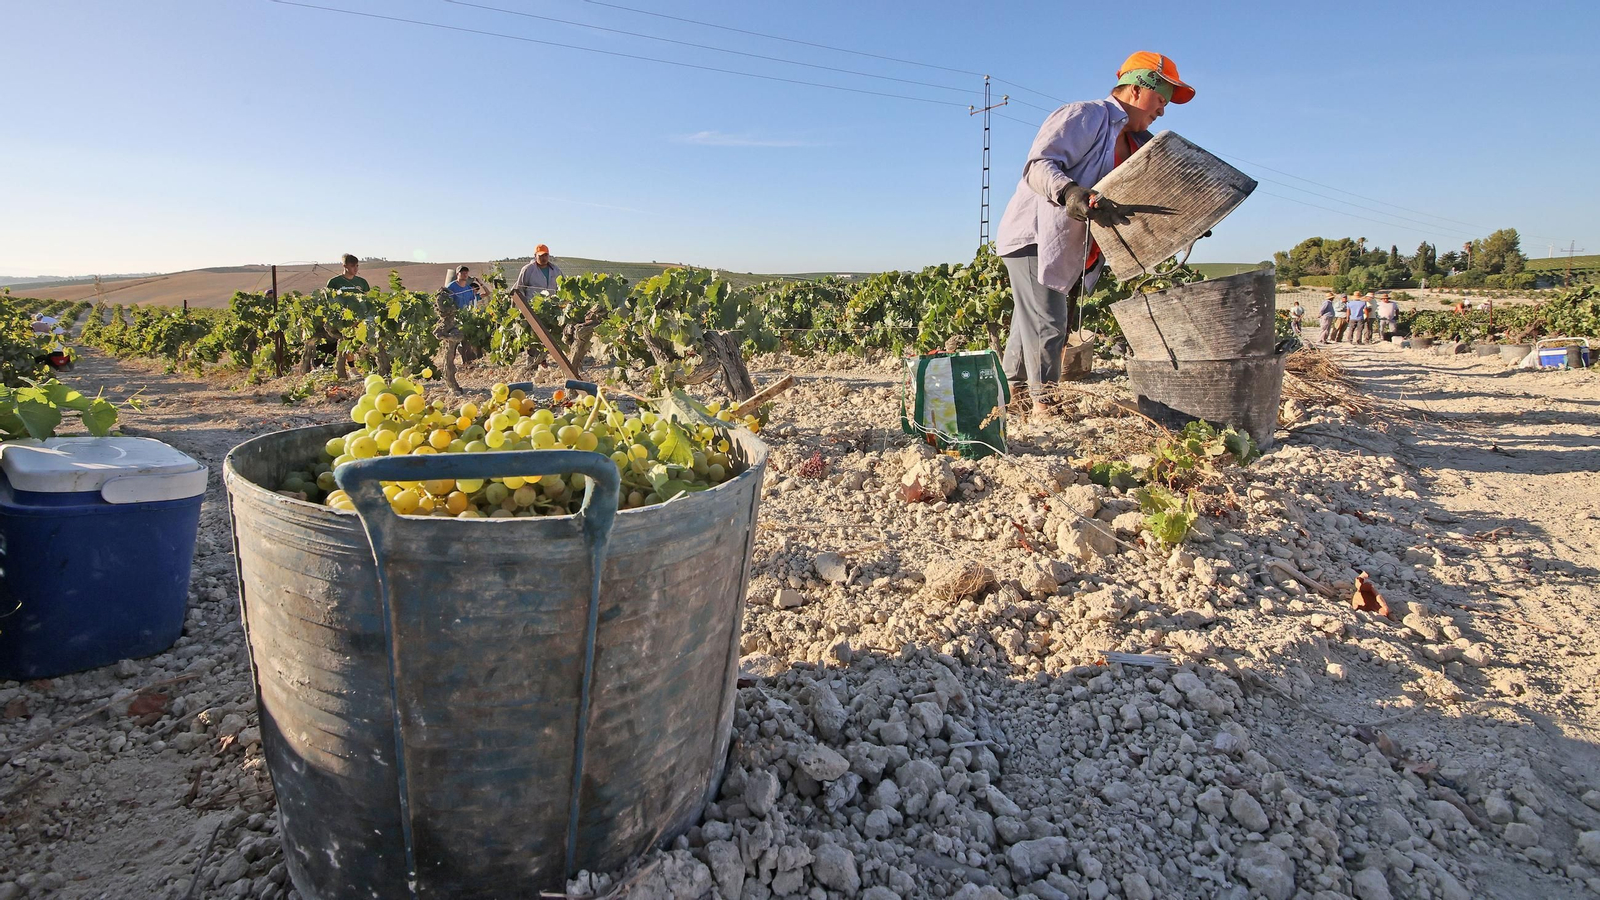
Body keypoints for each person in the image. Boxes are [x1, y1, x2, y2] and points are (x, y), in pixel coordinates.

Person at [996, 51, 1194, 417]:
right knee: (1049, 320)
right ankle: (1044, 403)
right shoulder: (1085, 116)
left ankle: (1012, 398)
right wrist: (1070, 192)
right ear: (1136, 90)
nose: (1163, 110)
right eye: (1160, 99)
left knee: (1032, 320)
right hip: (1036, 234)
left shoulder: (1139, 144)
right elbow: (1038, 166)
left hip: (1068, 246)